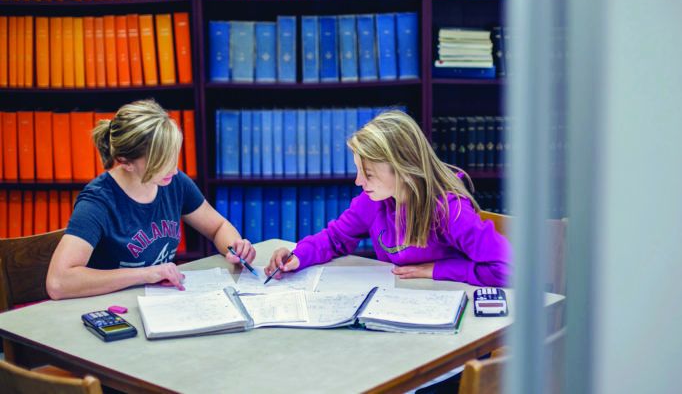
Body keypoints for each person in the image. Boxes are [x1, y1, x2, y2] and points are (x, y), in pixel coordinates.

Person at [265, 110, 512, 287]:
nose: (358, 182)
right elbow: (334, 238)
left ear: (404, 170)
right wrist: (298, 256)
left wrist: (437, 270)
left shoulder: (450, 212)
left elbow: (508, 270)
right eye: (358, 171)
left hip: (453, 315)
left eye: (368, 174)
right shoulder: (372, 202)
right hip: (400, 302)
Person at [46, 100, 255, 300]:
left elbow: (218, 226)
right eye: (161, 162)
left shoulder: (173, 182)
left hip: (160, 302)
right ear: (126, 162)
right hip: (113, 308)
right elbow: (58, 283)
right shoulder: (98, 202)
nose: (173, 169)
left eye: (174, 157)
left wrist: (235, 247)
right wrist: (145, 274)